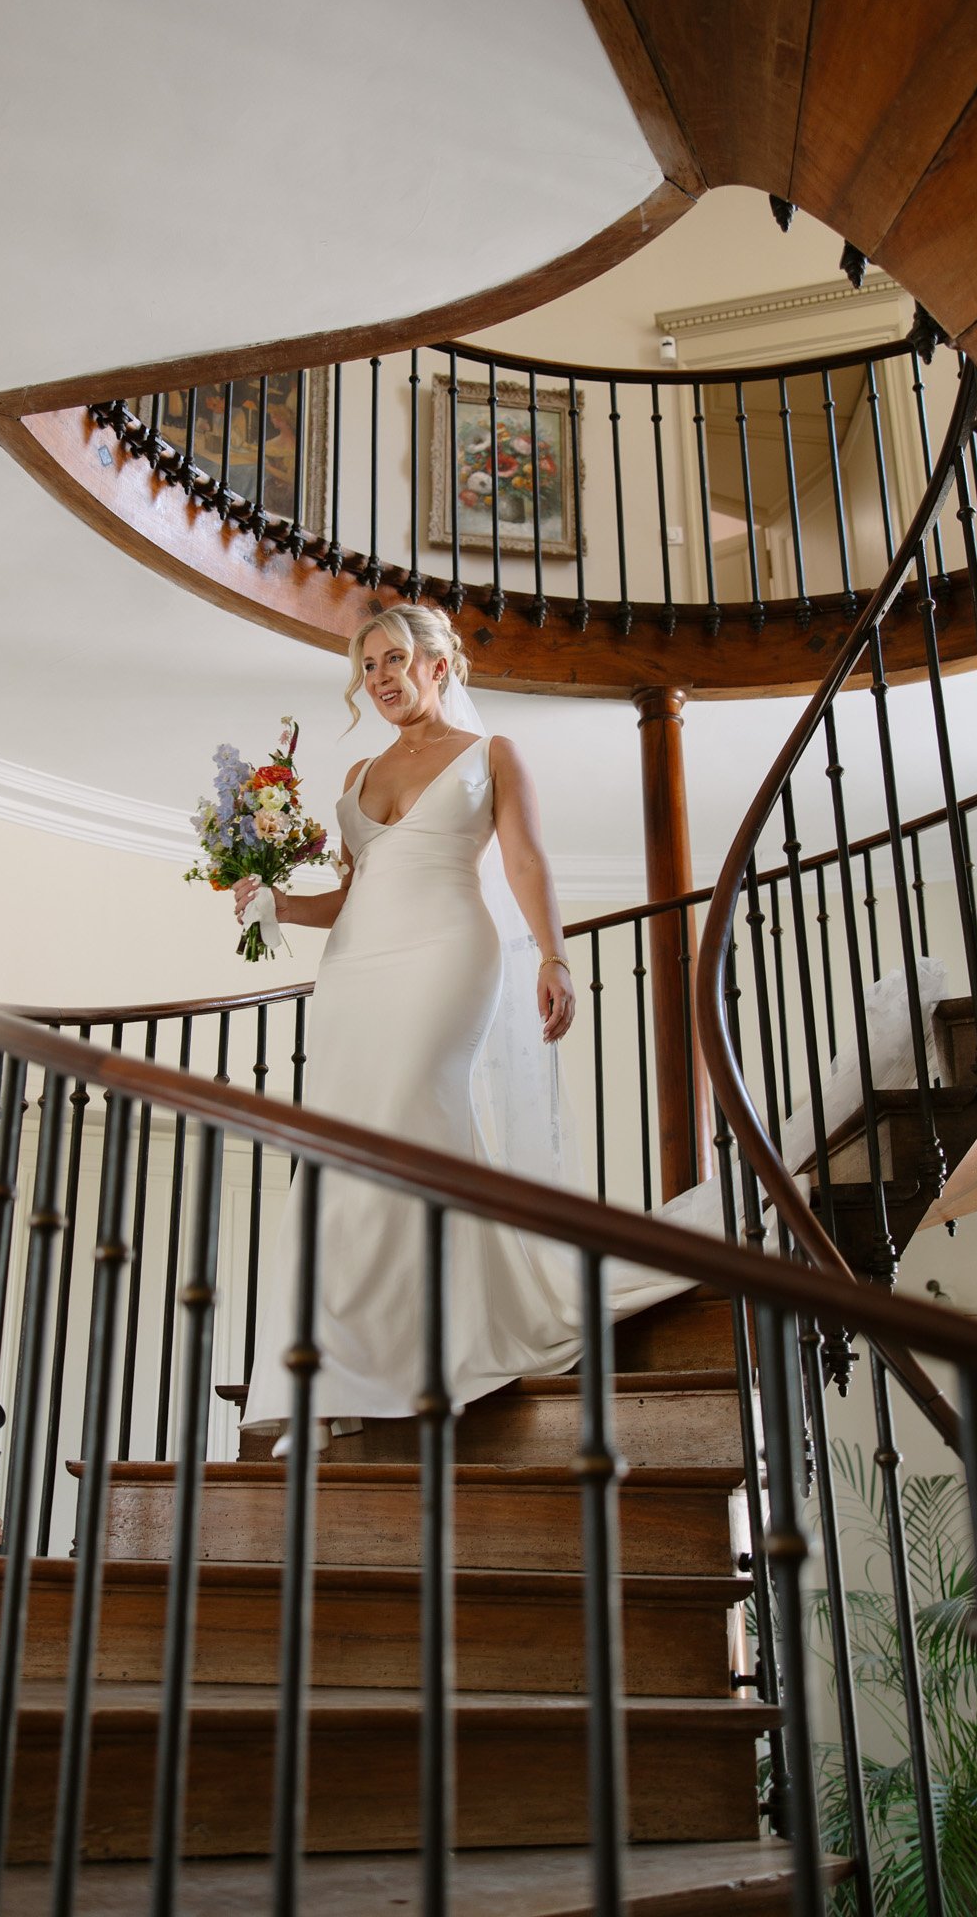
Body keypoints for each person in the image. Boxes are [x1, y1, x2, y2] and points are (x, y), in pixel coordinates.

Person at [235, 603, 691, 1444]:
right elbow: (350, 894)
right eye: (367, 665)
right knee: (342, 1151)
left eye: (395, 659)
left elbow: (522, 860)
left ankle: (428, 1355)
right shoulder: (355, 778)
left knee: (410, 1119)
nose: (380, 678)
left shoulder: (490, 755)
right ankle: (338, 1372)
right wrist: (274, 905)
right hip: (354, 973)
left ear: (437, 665)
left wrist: (553, 957)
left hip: (446, 955)